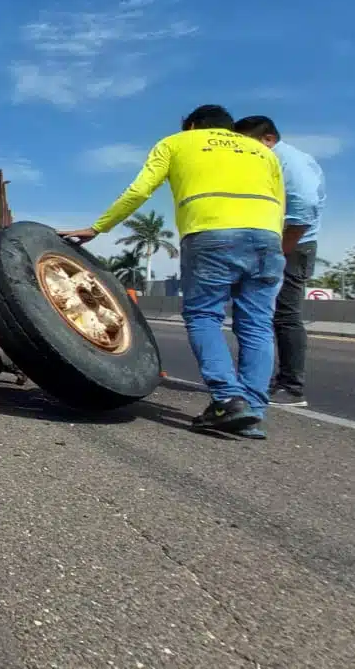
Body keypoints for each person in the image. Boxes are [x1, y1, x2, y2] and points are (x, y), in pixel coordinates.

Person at [60, 105, 286, 438]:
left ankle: (228, 399)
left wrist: (98, 228)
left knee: (204, 316)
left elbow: (140, 190)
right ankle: (252, 410)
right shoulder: (262, 151)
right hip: (267, 238)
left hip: (211, 234)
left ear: (192, 125)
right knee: (257, 323)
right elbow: (280, 202)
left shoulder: (177, 143)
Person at [234, 115, 325, 407]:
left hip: (293, 244)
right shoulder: (269, 162)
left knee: (285, 315)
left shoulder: (290, 162)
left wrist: (281, 251)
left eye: (246, 144)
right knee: (264, 314)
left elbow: (304, 209)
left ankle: (291, 386)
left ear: (268, 140)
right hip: (275, 242)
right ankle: (263, 381)